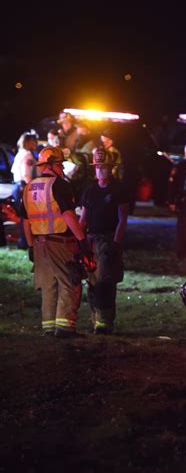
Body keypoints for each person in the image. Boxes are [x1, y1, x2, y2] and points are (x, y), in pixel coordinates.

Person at [21, 146, 95, 338]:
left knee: (48, 285)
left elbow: (26, 221)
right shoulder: (60, 185)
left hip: (39, 244)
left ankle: (49, 327)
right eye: (60, 164)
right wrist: (82, 240)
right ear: (52, 165)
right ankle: (65, 328)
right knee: (69, 281)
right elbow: (69, 215)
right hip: (59, 242)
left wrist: (30, 246)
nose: (62, 168)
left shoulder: (28, 187)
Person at [79, 148, 129, 334]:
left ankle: (105, 322)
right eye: (97, 167)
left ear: (111, 169)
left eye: (104, 167)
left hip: (107, 241)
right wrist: (80, 240)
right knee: (91, 281)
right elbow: (82, 218)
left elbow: (122, 218)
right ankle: (95, 319)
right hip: (91, 240)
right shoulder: (90, 190)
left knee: (105, 281)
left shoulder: (118, 190)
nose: (100, 171)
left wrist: (116, 243)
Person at [167, 142, 186, 258]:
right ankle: (182, 250)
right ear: (185, 153)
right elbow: (172, 185)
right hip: (182, 200)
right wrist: (171, 201)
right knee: (182, 227)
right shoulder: (179, 167)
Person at [11, 131, 38, 249]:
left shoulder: (20, 154)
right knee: (26, 217)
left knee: (23, 217)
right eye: (33, 141)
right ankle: (25, 242)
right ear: (27, 142)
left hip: (17, 186)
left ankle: (23, 242)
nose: (36, 143)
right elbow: (26, 174)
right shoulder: (27, 155)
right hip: (24, 187)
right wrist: (32, 188)